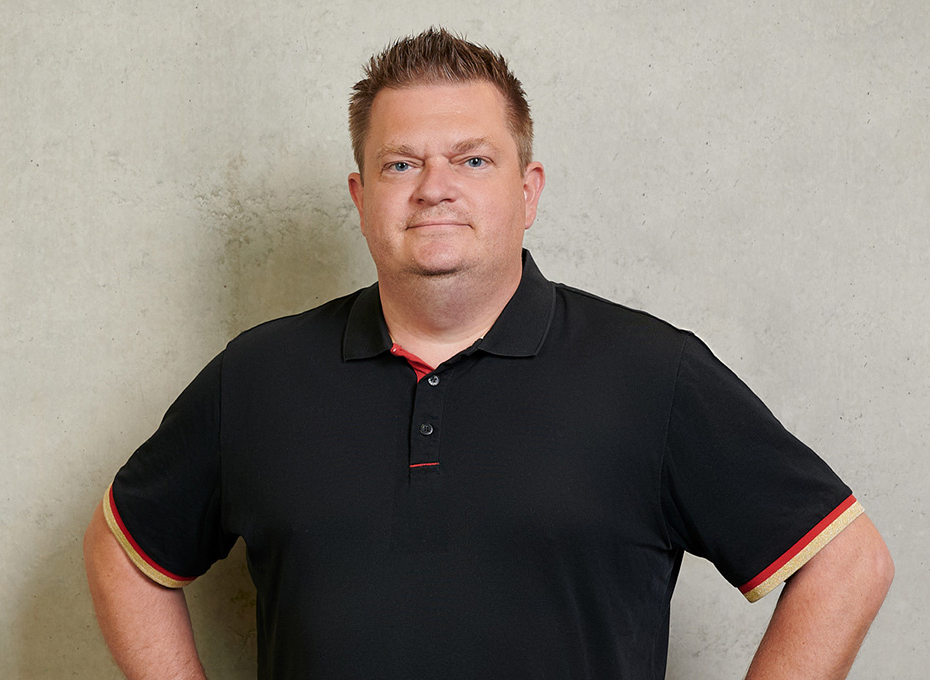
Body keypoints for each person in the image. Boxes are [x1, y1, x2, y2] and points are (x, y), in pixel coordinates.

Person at [84, 28, 893, 680]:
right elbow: (121, 552)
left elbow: (848, 563)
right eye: (402, 164)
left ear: (528, 190)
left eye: (473, 159)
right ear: (363, 196)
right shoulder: (257, 379)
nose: (435, 186)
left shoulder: (654, 375)